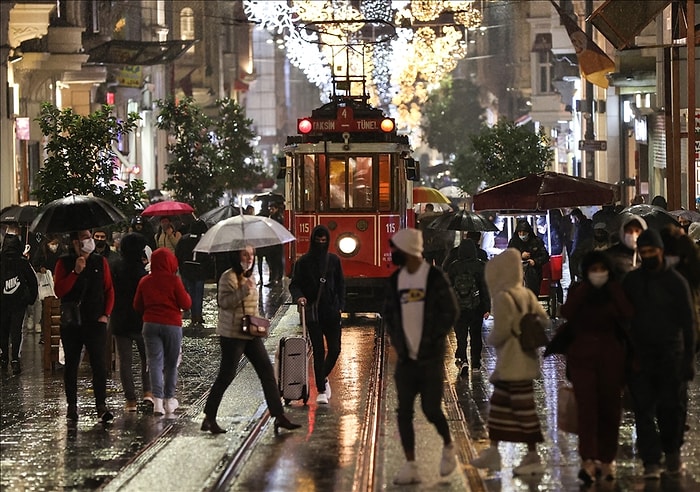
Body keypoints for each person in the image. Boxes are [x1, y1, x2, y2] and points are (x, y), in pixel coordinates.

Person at [382, 228, 460, 485]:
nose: (393, 255)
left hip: (429, 358)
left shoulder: (434, 278)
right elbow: (389, 314)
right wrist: (399, 343)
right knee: (403, 412)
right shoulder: (395, 281)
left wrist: (431, 342)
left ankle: (448, 446)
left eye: (397, 250)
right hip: (406, 359)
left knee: (430, 408)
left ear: (410, 252)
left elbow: (450, 311)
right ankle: (411, 463)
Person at [201, 246, 301, 434]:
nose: (249, 258)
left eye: (252, 254)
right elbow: (223, 303)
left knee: (267, 372)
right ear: (236, 255)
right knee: (226, 376)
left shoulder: (250, 277)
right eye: (245, 254)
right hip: (232, 335)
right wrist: (242, 291)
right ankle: (209, 417)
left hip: (250, 334)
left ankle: (278, 416)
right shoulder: (228, 277)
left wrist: (260, 324)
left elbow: (252, 307)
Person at [623, 229, 696, 479]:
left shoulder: (676, 282)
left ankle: (672, 453)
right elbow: (622, 318)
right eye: (643, 253)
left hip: (670, 356)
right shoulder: (632, 282)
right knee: (643, 411)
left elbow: (689, 323)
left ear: (661, 251)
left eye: (651, 252)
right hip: (641, 357)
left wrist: (687, 359)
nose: (648, 256)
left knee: (671, 409)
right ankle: (651, 461)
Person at [470, 248, 549, 475]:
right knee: (500, 408)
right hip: (525, 361)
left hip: (512, 364)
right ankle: (494, 452)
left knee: (523, 409)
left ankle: (532, 457)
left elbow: (501, 332)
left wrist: (495, 338)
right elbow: (543, 320)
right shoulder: (526, 294)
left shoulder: (503, 298)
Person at [559, 250, 634, 484]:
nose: (598, 274)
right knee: (587, 411)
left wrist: (612, 290)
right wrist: (584, 291)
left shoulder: (615, 292)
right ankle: (588, 460)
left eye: (602, 270)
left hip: (611, 360)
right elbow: (567, 312)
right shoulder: (581, 292)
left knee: (610, 411)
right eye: (594, 270)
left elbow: (628, 314)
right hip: (583, 360)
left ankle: (607, 459)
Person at [54, 229, 115, 423]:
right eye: (84, 238)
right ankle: (72, 406)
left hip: (95, 321)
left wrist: (105, 314)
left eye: (90, 237)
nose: (89, 241)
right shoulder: (64, 262)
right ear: (75, 242)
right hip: (72, 323)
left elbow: (109, 289)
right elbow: (59, 290)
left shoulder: (100, 261)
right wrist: (75, 272)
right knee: (71, 365)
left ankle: (101, 405)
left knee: (99, 365)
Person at [289, 224, 345, 405]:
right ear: (313, 240)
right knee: (319, 351)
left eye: (324, 240)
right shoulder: (303, 262)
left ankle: (322, 378)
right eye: (318, 240)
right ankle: (321, 389)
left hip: (332, 312)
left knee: (335, 349)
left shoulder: (334, 261)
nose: (321, 243)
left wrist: (340, 306)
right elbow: (294, 284)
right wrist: (300, 297)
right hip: (313, 312)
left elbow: (341, 285)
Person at [133, 247, 191, 416]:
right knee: (171, 364)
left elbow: (137, 305)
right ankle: (168, 400)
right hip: (172, 325)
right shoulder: (174, 281)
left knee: (155, 363)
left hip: (150, 324)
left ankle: (157, 403)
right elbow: (186, 304)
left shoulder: (145, 281)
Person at [111, 232, 153, 412]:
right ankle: (148, 393)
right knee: (147, 358)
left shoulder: (114, 267)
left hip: (120, 320)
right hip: (141, 320)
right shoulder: (142, 272)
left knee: (125, 361)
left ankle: (130, 400)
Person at [445, 238, 490, 376]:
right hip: (476, 307)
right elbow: (484, 288)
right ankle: (476, 363)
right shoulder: (480, 266)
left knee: (461, 335)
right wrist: (487, 308)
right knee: (476, 335)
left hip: (459, 309)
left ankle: (463, 359)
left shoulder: (453, 266)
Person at [0, 234, 38, 374]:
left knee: (3, 331)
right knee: (16, 331)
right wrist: (30, 299)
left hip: (2, 303)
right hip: (18, 303)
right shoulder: (22, 262)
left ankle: (3, 357)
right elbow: (33, 282)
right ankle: (15, 359)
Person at [175, 219, 211, 328]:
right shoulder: (204, 240)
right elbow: (208, 257)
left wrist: (181, 267)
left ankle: (193, 315)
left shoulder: (184, 239)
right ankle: (198, 315)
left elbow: (178, 254)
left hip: (187, 270)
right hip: (199, 271)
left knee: (190, 293)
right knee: (198, 294)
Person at [507, 220, 549, 295]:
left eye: (524, 232)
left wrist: (535, 261)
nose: (522, 234)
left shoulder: (537, 241)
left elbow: (545, 256)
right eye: (520, 232)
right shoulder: (514, 242)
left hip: (534, 275)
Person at [605, 215, 647, 282]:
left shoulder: (648, 254)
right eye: (629, 231)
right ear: (623, 232)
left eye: (637, 231)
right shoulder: (610, 255)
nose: (633, 235)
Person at [568, 208, 594, 282]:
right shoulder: (579, 225)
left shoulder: (584, 226)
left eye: (572, 219)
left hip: (581, 255)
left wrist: (576, 252)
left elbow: (582, 241)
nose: (571, 221)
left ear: (576, 217)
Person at [265, 203, 285, 287]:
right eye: (270, 209)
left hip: (276, 244)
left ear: (276, 209)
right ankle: (274, 278)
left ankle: (276, 278)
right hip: (273, 244)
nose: (271, 210)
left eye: (272, 209)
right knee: (272, 261)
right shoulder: (271, 218)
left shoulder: (278, 218)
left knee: (276, 262)